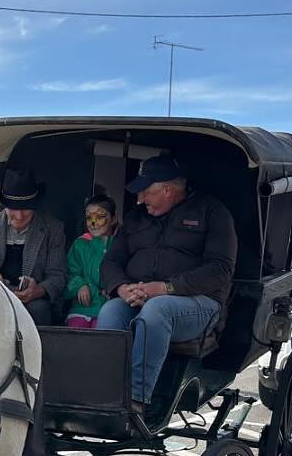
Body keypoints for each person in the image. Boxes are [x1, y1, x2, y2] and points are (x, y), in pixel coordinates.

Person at [97, 152, 237, 418]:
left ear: (167, 190)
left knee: (157, 311)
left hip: (199, 305)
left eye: (146, 192)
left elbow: (220, 270)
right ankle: (106, 396)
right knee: (110, 312)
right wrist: (122, 288)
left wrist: (165, 288)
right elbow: (110, 262)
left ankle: (135, 402)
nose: (140, 199)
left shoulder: (212, 212)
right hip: (138, 297)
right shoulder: (136, 218)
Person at [0, 168, 66, 326]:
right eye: (13, 208)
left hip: (34, 304)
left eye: (25, 209)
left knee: (39, 310)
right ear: (4, 205)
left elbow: (58, 276)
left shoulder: (53, 229)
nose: (19, 216)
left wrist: (37, 290)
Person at [64, 195, 116, 328]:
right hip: (81, 309)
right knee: (77, 338)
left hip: (109, 308)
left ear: (113, 219)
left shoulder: (119, 244)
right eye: (89, 218)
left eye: (100, 217)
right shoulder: (79, 245)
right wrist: (79, 285)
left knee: (102, 338)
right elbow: (69, 272)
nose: (93, 223)